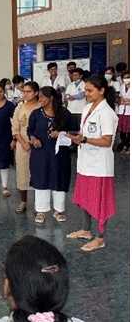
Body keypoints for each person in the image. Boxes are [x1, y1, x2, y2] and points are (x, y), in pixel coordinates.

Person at [67, 75, 118, 251]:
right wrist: (77, 138)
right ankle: (86, 229)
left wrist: (85, 139)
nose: (86, 94)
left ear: (101, 91)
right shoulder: (87, 108)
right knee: (85, 196)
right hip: (86, 161)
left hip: (99, 165)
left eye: (90, 90)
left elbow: (107, 141)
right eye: (85, 90)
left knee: (100, 201)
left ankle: (100, 237)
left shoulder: (107, 113)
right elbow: (85, 133)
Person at [27, 87, 75, 223]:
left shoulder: (65, 114)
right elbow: (30, 130)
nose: (40, 99)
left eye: (43, 97)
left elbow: (74, 131)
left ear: (51, 98)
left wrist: (60, 133)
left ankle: (58, 210)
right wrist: (33, 139)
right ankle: (41, 210)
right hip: (40, 153)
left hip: (59, 154)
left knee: (59, 177)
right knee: (41, 178)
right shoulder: (36, 114)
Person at [12, 81, 40, 213]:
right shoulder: (19, 108)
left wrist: (33, 142)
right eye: (24, 92)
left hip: (38, 145)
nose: (26, 94)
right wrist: (23, 143)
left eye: (29, 91)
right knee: (22, 172)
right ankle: (23, 201)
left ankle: (38, 203)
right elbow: (15, 129)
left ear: (36, 92)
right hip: (22, 145)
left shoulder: (41, 107)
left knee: (37, 173)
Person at [64, 67, 86, 131]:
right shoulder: (70, 85)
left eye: (76, 75)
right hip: (71, 110)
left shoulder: (84, 84)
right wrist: (73, 97)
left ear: (80, 76)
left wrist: (70, 96)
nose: (74, 77)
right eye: (73, 75)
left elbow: (80, 96)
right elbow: (65, 97)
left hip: (80, 110)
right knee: (71, 129)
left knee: (80, 129)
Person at [117, 70, 130, 154]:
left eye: (128, 77)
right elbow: (119, 99)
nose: (126, 79)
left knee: (129, 129)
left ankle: (129, 146)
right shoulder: (122, 86)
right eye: (124, 77)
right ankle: (124, 145)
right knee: (122, 129)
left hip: (129, 112)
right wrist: (126, 101)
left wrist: (126, 102)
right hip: (122, 111)